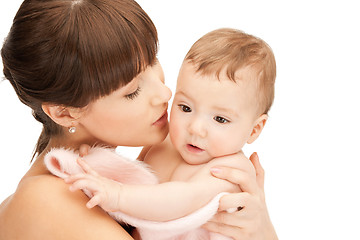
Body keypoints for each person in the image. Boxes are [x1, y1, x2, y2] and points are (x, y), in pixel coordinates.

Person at [0, 0, 277, 239]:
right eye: (132, 92)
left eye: (152, 60)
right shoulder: (46, 200)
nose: (165, 93)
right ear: (65, 112)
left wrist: (259, 228)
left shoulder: (113, 171)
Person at [64, 28, 277, 239]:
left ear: (255, 129)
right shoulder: (164, 143)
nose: (195, 128)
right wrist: (101, 165)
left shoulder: (230, 171)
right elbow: (135, 183)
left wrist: (117, 195)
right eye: (185, 108)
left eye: (220, 119)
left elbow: (180, 200)